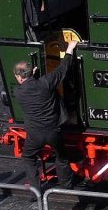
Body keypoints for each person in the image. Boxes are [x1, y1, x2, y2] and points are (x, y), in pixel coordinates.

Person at [12, 38, 80, 192]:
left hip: (35, 134)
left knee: (28, 157)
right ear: (32, 71)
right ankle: (66, 185)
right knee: (61, 157)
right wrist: (70, 49)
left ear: (18, 76)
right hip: (53, 131)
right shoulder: (46, 83)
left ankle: (35, 190)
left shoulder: (18, 92)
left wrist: (31, 76)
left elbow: (27, 84)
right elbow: (63, 69)